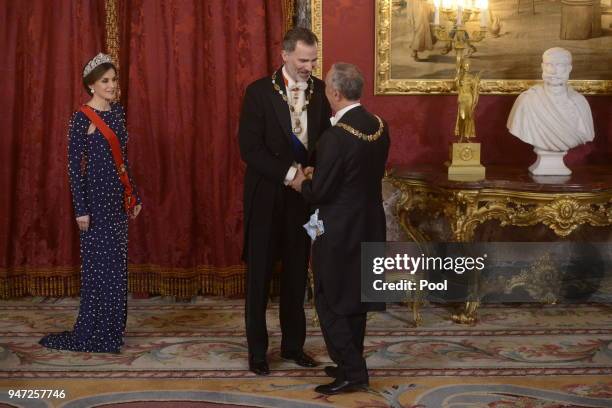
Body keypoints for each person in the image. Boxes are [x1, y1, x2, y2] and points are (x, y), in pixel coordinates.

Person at [290, 63, 390, 395]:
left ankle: (354, 372)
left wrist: (301, 182)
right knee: (357, 297)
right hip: (370, 223)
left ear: (335, 93)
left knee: (330, 299)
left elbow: (319, 194)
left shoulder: (334, 138)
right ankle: (349, 363)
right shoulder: (378, 126)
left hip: (337, 228)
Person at [238, 27, 331, 375]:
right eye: (303, 60)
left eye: (313, 59)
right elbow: (250, 149)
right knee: (259, 277)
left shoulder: (321, 91)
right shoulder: (259, 92)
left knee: (295, 274)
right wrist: (289, 174)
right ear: (285, 55)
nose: (309, 66)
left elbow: (325, 141)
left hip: (303, 199)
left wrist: (312, 174)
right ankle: (258, 353)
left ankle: (293, 347)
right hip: (267, 195)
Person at [39, 53, 142, 353]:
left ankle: (112, 332)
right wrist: (80, 210)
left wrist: (133, 195)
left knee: (117, 267)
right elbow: (74, 167)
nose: (112, 86)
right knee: (100, 268)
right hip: (94, 203)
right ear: (91, 86)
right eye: (105, 81)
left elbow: (124, 160)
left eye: (114, 80)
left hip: (117, 201)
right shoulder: (81, 118)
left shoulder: (118, 112)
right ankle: (95, 331)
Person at [507, 47, 594, 175]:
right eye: (549, 65)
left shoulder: (580, 103)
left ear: (569, 68)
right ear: (542, 67)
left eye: (560, 65)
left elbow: (586, 132)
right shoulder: (526, 101)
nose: (553, 71)